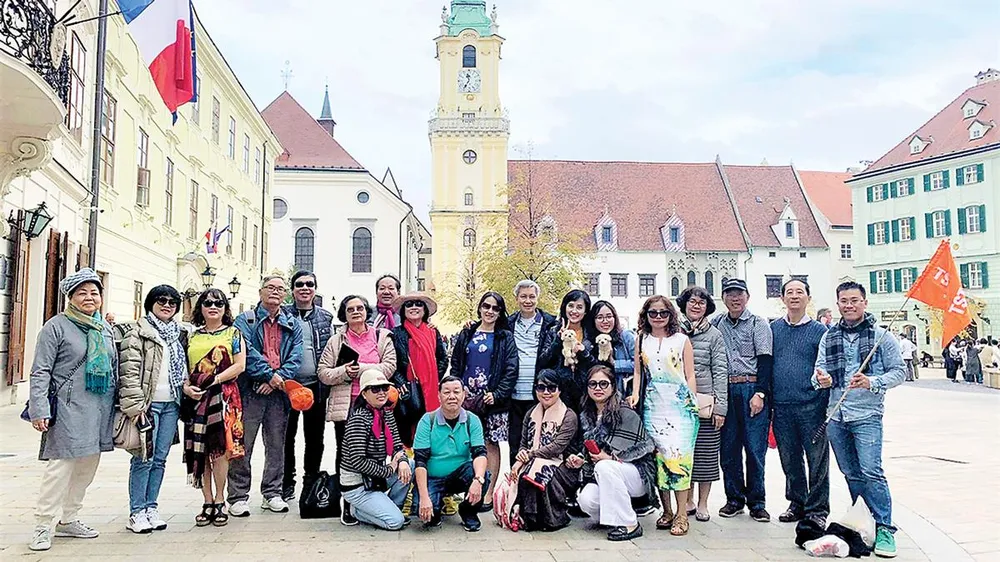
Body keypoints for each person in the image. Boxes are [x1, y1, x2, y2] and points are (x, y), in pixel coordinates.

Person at [814, 281, 906, 559]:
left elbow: (900, 372)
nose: (849, 305)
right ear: (838, 303)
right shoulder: (829, 337)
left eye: (855, 300)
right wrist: (822, 379)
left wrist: (872, 382)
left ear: (864, 302)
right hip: (836, 414)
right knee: (851, 473)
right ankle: (863, 522)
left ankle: (885, 527)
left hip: (867, 415)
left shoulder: (881, 337)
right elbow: (817, 372)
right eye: (844, 301)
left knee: (871, 471)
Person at [28, 269, 118, 552]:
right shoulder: (56, 326)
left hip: (100, 408)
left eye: (94, 293)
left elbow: (114, 366)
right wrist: (38, 408)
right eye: (82, 293)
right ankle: (43, 525)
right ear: (71, 297)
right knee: (61, 467)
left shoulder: (104, 328)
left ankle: (69, 519)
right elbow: (40, 370)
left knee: (87, 467)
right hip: (68, 409)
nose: (89, 298)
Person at [228, 276, 304, 517]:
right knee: (244, 445)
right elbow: (245, 351)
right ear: (260, 291)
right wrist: (268, 376)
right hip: (250, 390)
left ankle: (272, 492)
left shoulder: (293, 323)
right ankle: (238, 496)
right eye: (271, 288)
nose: (275, 292)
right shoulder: (245, 320)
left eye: (280, 289)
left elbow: (296, 356)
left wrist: (276, 380)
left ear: (285, 295)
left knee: (276, 445)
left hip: (278, 393)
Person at [318, 294, 396, 525]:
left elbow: (389, 366)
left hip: (377, 406)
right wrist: (343, 372)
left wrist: (361, 369)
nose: (355, 312)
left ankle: (374, 495)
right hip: (347, 406)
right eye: (350, 309)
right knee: (347, 455)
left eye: (360, 308)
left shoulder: (381, 337)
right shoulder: (336, 340)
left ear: (366, 311)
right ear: (344, 313)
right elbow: (323, 372)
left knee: (377, 451)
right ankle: (348, 503)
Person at [118, 285, 190, 533]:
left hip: (171, 403)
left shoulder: (178, 334)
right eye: (161, 300)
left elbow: (182, 370)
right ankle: (136, 512)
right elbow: (128, 372)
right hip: (147, 405)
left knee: (159, 458)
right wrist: (135, 405)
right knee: (143, 458)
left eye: (172, 302)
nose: (167, 305)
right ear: (150, 303)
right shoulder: (137, 333)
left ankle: (151, 507)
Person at [631, 295, 699, 536]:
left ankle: (682, 514)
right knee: (660, 458)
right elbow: (638, 372)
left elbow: (690, 374)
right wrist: (635, 395)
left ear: (671, 315)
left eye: (663, 313)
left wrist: (691, 401)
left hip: (680, 406)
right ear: (646, 315)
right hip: (654, 405)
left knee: (679, 459)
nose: (658, 317)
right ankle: (667, 510)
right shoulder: (641, 339)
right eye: (653, 313)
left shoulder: (682, 340)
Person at [710, 278, 773, 522]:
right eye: (729, 294)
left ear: (747, 297)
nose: (735, 298)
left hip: (751, 388)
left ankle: (757, 502)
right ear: (723, 298)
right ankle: (734, 498)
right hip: (725, 389)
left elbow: (766, 360)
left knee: (755, 449)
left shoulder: (759, 324)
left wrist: (760, 393)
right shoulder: (716, 324)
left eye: (739, 294)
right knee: (729, 448)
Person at [183, 289, 247, 527]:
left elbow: (240, 365)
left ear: (225, 308)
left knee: (221, 451)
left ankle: (220, 499)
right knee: (201, 451)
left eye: (218, 303)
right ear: (200, 307)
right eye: (207, 302)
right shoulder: (190, 336)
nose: (213, 307)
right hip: (197, 398)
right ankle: (206, 500)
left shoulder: (233, 333)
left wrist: (215, 380)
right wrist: (187, 387)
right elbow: (182, 367)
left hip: (224, 396)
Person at [769, 279, 830, 526]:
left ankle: (817, 510)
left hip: (812, 406)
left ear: (808, 297)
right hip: (782, 406)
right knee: (789, 458)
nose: (795, 296)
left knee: (817, 460)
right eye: (790, 292)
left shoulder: (820, 331)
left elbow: (828, 366)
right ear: (782, 299)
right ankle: (797, 502)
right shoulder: (772, 329)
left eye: (800, 292)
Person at [450, 291, 518, 509]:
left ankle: (487, 494)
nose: (490, 311)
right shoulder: (468, 332)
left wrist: (498, 394)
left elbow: (511, 368)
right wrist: (459, 389)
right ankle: (470, 490)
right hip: (468, 398)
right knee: (468, 442)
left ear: (500, 312)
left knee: (491, 443)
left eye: (495, 308)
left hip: (493, 398)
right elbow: (457, 363)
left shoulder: (505, 336)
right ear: (479, 308)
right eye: (486, 306)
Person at [575, 365, 658, 542]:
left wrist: (612, 457)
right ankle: (614, 517)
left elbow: (645, 447)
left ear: (613, 386)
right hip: (607, 475)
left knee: (605, 466)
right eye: (593, 384)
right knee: (586, 500)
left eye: (604, 384)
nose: (598, 388)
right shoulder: (586, 416)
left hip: (637, 475)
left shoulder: (625, 411)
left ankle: (630, 524)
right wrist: (581, 459)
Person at [281, 270, 335, 502]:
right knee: (286, 436)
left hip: (316, 386)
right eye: (300, 284)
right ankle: (286, 481)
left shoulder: (325, 317)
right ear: (292, 290)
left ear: (315, 288)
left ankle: (310, 479)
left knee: (315, 437)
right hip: (288, 385)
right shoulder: (282, 315)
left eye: (309, 284)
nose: (305, 288)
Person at [676, 286, 728, 523]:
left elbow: (720, 370)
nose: (696, 306)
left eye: (702, 302)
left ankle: (704, 503)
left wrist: (721, 407)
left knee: (706, 454)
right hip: (678, 403)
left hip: (705, 401)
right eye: (692, 301)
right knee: (683, 454)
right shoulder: (674, 331)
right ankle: (685, 500)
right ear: (684, 304)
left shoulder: (714, 334)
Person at [413, 375, 491, 531]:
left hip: (460, 475)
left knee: (484, 476)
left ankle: (468, 511)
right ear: (439, 395)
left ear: (464, 394)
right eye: (446, 392)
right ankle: (437, 502)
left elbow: (480, 453)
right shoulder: (428, 420)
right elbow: (420, 461)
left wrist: (478, 480)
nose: (452, 396)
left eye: (456, 391)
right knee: (425, 515)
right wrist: (424, 497)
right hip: (433, 477)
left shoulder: (472, 420)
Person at [340, 370, 413, 530]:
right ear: (364, 394)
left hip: (375, 479)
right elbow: (357, 461)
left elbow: (397, 446)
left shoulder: (386, 413)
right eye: (375, 389)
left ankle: (392, 507)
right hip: (358, 485)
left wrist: (401, 461)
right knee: (395, 523)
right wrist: (389, 469)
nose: (381, 393)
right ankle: (356, 511)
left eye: (385, 388)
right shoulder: (358, 420)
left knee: (410, 465)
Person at [512, 369, 580, 531]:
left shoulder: (569, 416)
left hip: (564, 464)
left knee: (538, 471)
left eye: (552, 388)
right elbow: (523, 443)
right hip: (534, 459)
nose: (546, 392)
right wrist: (522, 454)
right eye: (541, 388)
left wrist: (528, 456)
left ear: (560, 390)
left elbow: (557, 447)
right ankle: (529, 518)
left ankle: (553, 519)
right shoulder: (531, 413)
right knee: (528, 470)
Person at [506, 280, 558, 460]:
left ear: (537, 298)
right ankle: (516, 483)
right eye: (523, 296)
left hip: (538, 391)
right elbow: (486, 324)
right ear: (517, 299)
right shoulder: (508, 323)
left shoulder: (549, 323)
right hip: (514, 392)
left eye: (531, 296)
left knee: (538, 442)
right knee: (515, 443)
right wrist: (470, 325)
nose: (527, 301)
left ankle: (534, 483)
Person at [390, 292, 448, 445]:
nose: (414, 307)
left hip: (430, 389)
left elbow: (442, 359)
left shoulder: (433, 332)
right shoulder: (396, 333)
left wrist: (434, 377)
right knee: (406, 431)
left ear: (425, 310)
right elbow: (391, 362)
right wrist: (400, 382)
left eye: (418, 304)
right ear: (403, 310)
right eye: (409, 304)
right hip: (407, 390)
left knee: (430, 430)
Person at [540, 289, 596, 411]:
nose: (574, 311)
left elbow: (596, 364)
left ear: (585, 311)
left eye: (579, 307)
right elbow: (543, 361)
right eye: (571, 306)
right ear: (565, 307)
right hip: (559, 391)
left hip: (585, 392)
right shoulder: (553, 330)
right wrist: (558, 341)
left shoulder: (591, 334)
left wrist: (583, 353)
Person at [590, 300, 637, 397]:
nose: (605, 321)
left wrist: (614, 363)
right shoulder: (591, 341)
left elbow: (639, 365)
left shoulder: (626, 337)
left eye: (609, 316)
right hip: (598, 394)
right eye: (600, 317)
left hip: (623, 393)